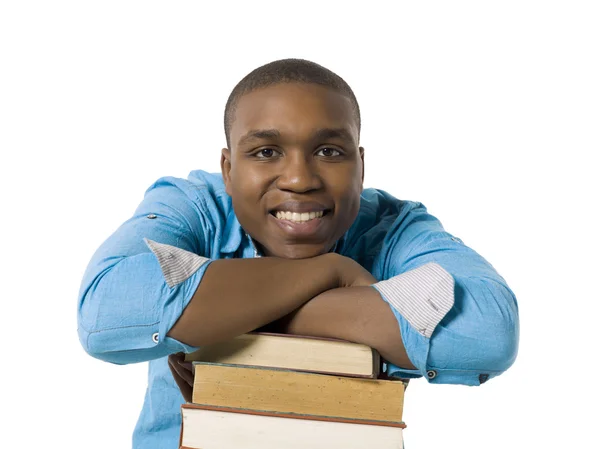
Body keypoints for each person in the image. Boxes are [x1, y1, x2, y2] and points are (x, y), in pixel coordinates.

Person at [77, 58, 519, 448]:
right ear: (228, 171)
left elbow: (486, 331)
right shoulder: (192, 207)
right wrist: (332, 273)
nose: (299, 179)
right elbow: (105, 311)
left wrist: (231, 316)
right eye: (266, 152)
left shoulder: (396, 227)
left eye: (328, 151)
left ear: (361, 167)